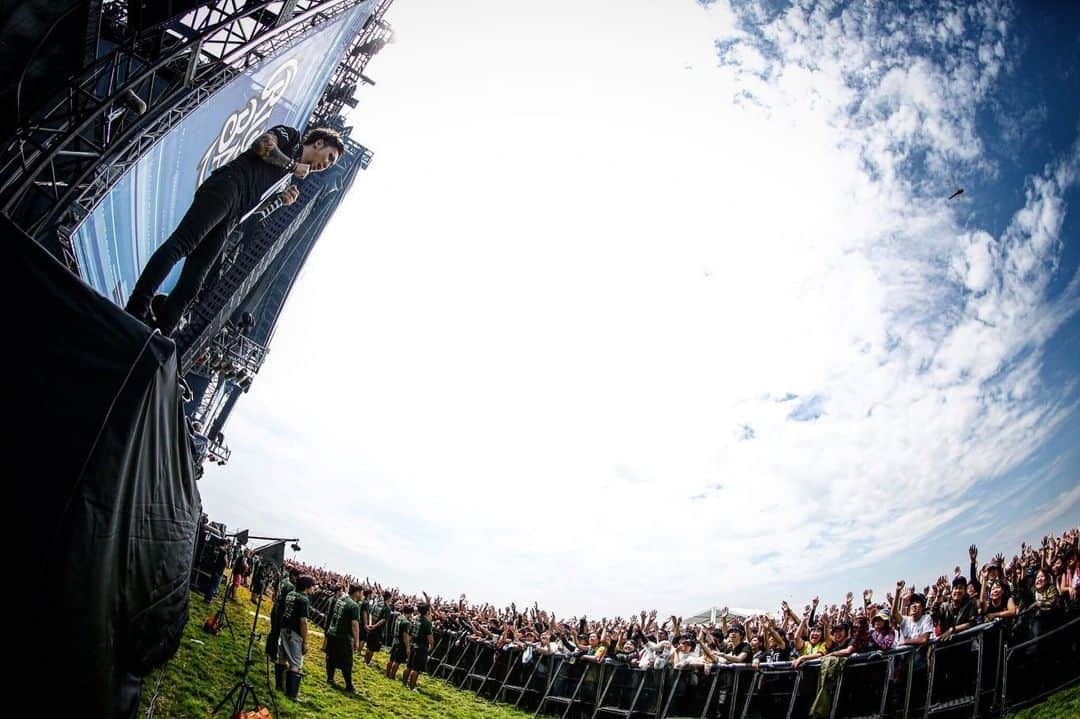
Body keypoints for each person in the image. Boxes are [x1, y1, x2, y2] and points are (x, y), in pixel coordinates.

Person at [123, 126, 344, 334]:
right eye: (329, 157)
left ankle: (157, 333)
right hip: (227, 186)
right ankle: (136, 309)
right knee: (181, 245)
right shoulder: (293, 139)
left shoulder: (287, 178)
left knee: (193, 283)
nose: (326, 164)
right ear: (318, 143)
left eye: (331, 164)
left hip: (234, 215)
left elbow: (255, 210)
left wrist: (280, 201)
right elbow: (262, 144)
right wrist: (292, 166)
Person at [277, 575, 317, 701]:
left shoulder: (291, 593)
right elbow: (303, 622)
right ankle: (292, 694)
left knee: (282, 658)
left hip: (284, 628)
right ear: (307, 587)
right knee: (295, 663)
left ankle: (279, 686)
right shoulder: (303, 600)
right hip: (294, 632)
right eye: (313, 586)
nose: (314, 589)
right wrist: (305, 641)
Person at [268, 567, 301, 691]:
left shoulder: (284, 581)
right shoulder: (291, 587)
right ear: (293, 575)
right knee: (276, 633)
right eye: (297, 577)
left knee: (273, 632)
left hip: (276, 608)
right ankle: (272, 653)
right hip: (281, 612)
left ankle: (269, 651)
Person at [326, 585, 362, 692]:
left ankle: (330, 678)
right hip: (343, 636)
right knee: (347, 662)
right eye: (361, 593)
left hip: (333, 632)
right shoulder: (354, 606)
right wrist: (356, 641)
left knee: (331, 657)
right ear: (357, 592)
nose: (362, 595)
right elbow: (354, 624)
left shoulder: (341, 599)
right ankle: (349, 685)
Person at [406, 602, 434, 691]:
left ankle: (404, 683)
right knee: (416, 670)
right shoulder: (427, 623)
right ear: (427, 612)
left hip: (413, 645)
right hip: (421, 647)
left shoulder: (415, 619)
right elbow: (430, 639)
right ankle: (412, 687)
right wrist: (431, 646)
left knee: (409, 667)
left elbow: (410, 634)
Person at [365, 590, 393, 666]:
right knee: (372, 648)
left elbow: (371, 613)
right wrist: (374, 626)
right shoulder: (387, 608)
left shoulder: (377, 604)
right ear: (389, 598)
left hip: (371, 626)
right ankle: (368, 662)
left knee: (368, 646)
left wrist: (370, 624)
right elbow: (383, 620)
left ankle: (365, 660)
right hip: (377, 630)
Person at [387, 604, 414, 682]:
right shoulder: (406, 623)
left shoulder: (399, 617)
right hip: (401, 643)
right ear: (410, 613)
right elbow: (405, 635)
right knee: (397, 661)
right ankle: (392, 676)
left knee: (391, 659)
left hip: (395, 640)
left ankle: (387, 673)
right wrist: (408, 647)